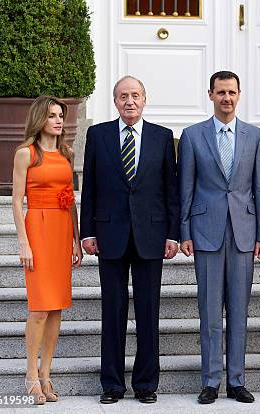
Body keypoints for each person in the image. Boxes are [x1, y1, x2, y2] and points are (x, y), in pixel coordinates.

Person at [80, 75, 180, 404]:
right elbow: (90, 186)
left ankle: (146, 384)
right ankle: (111, 384)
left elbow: (171, 189)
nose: (130, 101)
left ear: (145, 99)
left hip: (151, 235)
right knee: (113, 310)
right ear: (115, 101)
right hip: (109, 234)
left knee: (149, 312)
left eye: (135, 95)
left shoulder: (162, 137)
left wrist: (173, 234)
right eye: (123, 96)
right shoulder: (97, 135)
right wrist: (87, 231)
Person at [178, 71, 260, 405]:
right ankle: (211, 380)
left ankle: (236, 381)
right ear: (211, 95)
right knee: (209, 310)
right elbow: (185, 188)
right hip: (206, 233)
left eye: (231, 92)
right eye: (220, 92)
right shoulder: (191, 136)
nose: (226, 98)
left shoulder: (256, 136)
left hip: (245, 233)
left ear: (239, 95)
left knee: (239, 310)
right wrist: (184, 231)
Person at [12, 96, 82, 405]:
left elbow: (71, 201)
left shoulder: (67, 154)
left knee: (56, 307)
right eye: (52, 115)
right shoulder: (25, 154)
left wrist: (77, 240)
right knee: (39, 307)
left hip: (62, 230)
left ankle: (46, 373)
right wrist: (24, 242)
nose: (58, 120)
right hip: (37, 230)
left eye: (60, 116)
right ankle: (30, 374)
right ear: (40, 118)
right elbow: (16, 201)